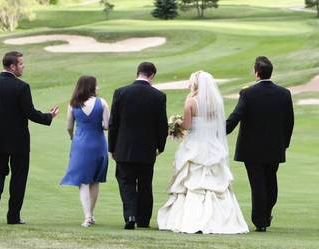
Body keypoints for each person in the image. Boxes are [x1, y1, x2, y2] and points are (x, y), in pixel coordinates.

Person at [157, 71, 248, 234]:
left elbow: (186, 126)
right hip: (212, 145)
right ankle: (221, 220)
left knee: (192, 181)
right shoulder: (216, 103)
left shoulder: (191, 101)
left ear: (196, 84)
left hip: (195, 145)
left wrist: (175, 125)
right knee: (215, 181)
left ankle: (190, 219)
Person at [0, 51, 58, 225]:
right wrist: (49, 117)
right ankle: (13, 216)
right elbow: (30, 113)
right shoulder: (22, 87)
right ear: (12, 66)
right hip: (19, 141)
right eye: (21, 64)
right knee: (19, 176)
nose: (23, 67)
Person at [226, 56, 295, 232]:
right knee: (271, 181)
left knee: (257, 184)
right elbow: (289, 122)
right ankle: (266, 214)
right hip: (275, 147)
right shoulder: (284, 93)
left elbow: (237, 115)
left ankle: (260, 221)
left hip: (252, 148)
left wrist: (221, 130)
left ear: (257, 73)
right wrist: (284, 144)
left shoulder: (247, 93)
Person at [108, 61, 168, 230]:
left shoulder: (120, 93)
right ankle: (143, 220)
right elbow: (161, 125)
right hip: (147, 149)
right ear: (152, 76)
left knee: (126, 182)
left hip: (124, 148)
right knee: (145, 184)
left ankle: (130, 215)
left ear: (137, 73)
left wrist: (112, 147)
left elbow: (113, 123)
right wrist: (160, 146)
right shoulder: (158, 96)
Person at [59, 75, 109, 227]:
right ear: (91, 87)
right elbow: (107, 125)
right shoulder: (102, 102)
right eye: (96, 85)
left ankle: (87, 216)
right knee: (95, 180)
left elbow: (68, 126)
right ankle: (91, 215)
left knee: (83, 181)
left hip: (80, 143)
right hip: (98, 143)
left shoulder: (73, 104)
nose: (98, 88)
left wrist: (72, 137)